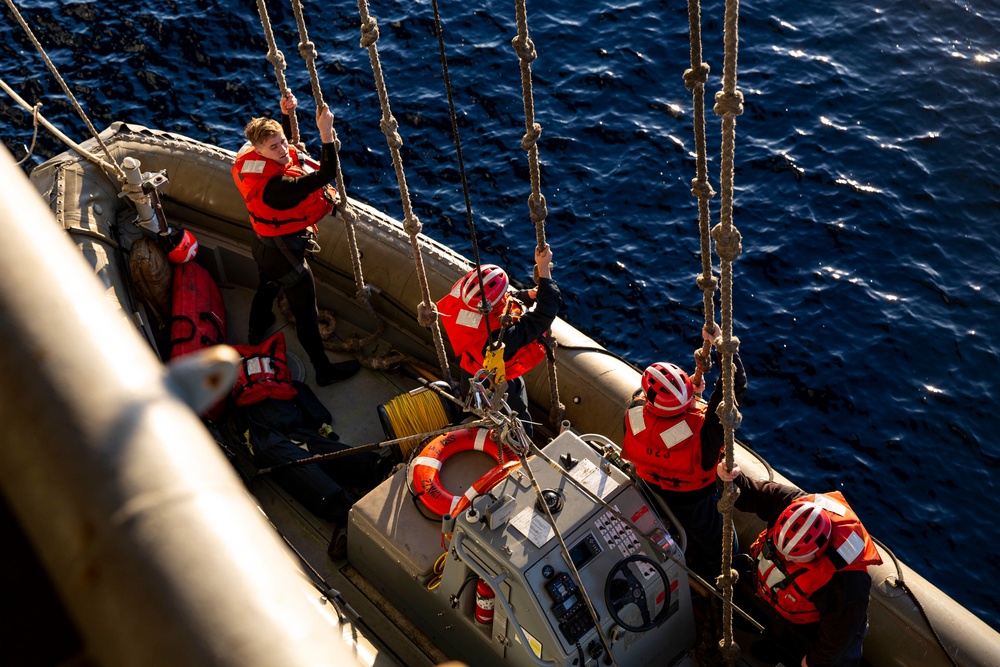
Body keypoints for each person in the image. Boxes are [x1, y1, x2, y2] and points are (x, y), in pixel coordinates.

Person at [231, 91, 360, 386]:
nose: (283, 149)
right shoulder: (279, 188)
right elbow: (326, 173)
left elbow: (283, 149)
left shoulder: (248, 157)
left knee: (267, 283)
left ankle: (257, 327)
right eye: (274, 147)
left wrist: (287, 115)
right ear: (259, 151)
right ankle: (323, 371)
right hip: (284, 254)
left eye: (283, 142)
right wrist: (326, 133)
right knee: (307, 316)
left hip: (263, 243)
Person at [717, 460, 883, 667]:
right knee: (786, 637)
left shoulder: (847, 582)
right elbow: (751, 494)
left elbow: (837, 636)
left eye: (793, 557)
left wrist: (814, 662)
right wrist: (731, 477)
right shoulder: (791, 502)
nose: (783, 558)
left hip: (826, 629)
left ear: (817, 553)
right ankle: (780, 652)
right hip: (791, 611)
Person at [620, 325, 746, 582]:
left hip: (652, 489)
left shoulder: (634, 411)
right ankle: (717, 577)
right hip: (695, 500)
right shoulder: (705, 433)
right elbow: (734, 384)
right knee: (722, 544)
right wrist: (722, 344)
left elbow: (652, 411)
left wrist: (688, 396)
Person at [436, 244, 561, 436]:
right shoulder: (502, 338)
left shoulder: (465, 304)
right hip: (496, 384)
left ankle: (475, 423)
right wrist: (543, 270)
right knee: (517, 421)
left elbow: (504, 301)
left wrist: (527, 296)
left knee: (475, 406)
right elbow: (543, 316)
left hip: (470, 370)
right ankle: (521, 448)